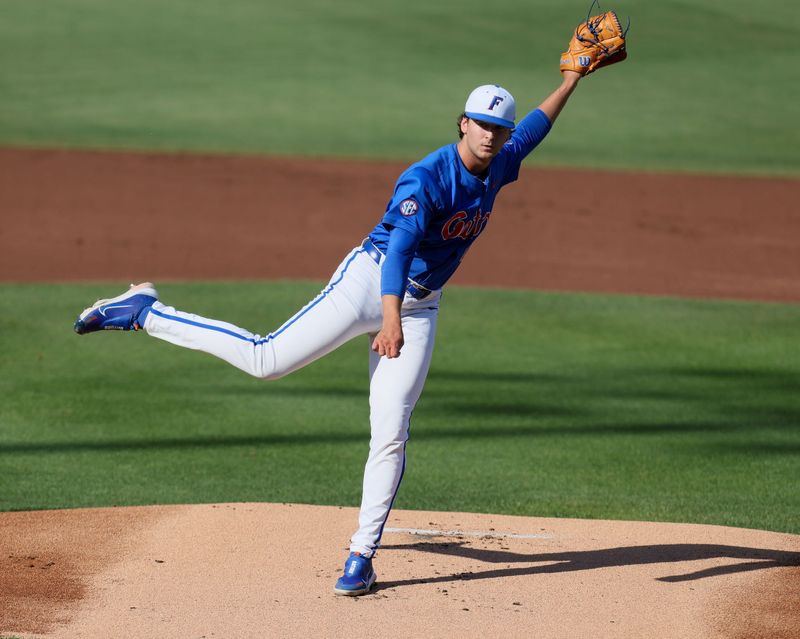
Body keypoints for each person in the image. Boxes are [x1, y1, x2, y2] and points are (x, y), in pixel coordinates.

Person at [74, 71, 584, 596]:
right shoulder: (425, 178)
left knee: (391, 430)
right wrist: (389, 320)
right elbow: (400, 252)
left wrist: (572, 77)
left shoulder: (501, 160)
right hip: (369, 284)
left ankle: (361, 557)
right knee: (266, 360)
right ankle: (145, 311)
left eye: (497, 128)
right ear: (462, 122)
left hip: (420, 307)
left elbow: (533, 130)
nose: (491, 135)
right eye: (481, 124)